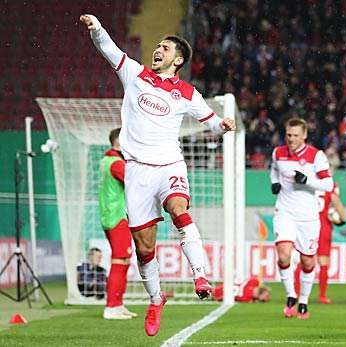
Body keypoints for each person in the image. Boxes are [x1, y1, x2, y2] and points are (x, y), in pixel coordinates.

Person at [80, 14, 236, 336]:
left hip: (169, 166)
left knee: (180, 209)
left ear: (177, 60)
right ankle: (156, 297)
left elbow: (209, 119)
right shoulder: (134, 75)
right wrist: (97, 29)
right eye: (158, 46)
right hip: (137, 170)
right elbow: (108, 49)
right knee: (143, 247)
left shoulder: (187, 93)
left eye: (165, 48)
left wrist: (222, 125)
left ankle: (201, 275)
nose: (158, 50)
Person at [270, 117, 334, 319]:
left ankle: (304, 301)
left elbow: (328, 185)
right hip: (285, 211)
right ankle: (291, 295)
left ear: (304, 135)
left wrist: (307, 181)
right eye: (289, 135)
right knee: (283, 255)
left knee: (307, 262)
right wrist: (274, 183)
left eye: (296, 135)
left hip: (307, 216)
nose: (291, 139)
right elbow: (274, 170)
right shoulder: (278, 153)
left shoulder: (317, 156)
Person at [99, 128, 137, 320]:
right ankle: (112, 307)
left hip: (110, 216)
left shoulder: (107, 160)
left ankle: (118, 304)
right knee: (119, 260)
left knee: (124, 260)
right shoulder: (116, 164)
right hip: (117, 217)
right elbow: (134, 183)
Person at [294, 177, 346, 304]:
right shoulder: (329, 185)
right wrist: (342, 219)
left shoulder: (307, 183)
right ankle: (322, 296)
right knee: (323, 262)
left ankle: (295, 294)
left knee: (303, 259)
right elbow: (336, 201)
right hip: (323, 226)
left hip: (308, 224)